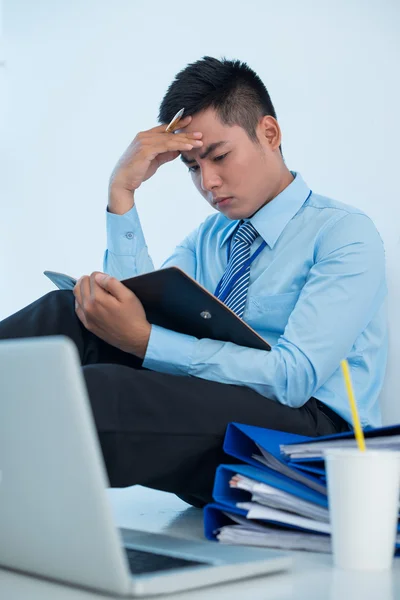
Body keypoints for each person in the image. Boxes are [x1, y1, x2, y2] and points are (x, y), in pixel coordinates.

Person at [0, 56, 387, 507]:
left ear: (269, 133)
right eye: (191, 167)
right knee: (67, 312)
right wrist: (122, 193)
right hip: (216, 408)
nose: (209, 182)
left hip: (311, 438)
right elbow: (138, 307)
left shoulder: (343, 233)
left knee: (97, 390)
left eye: (219, 157)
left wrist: (146, 343)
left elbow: (293, 378)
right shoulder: (212, 236)